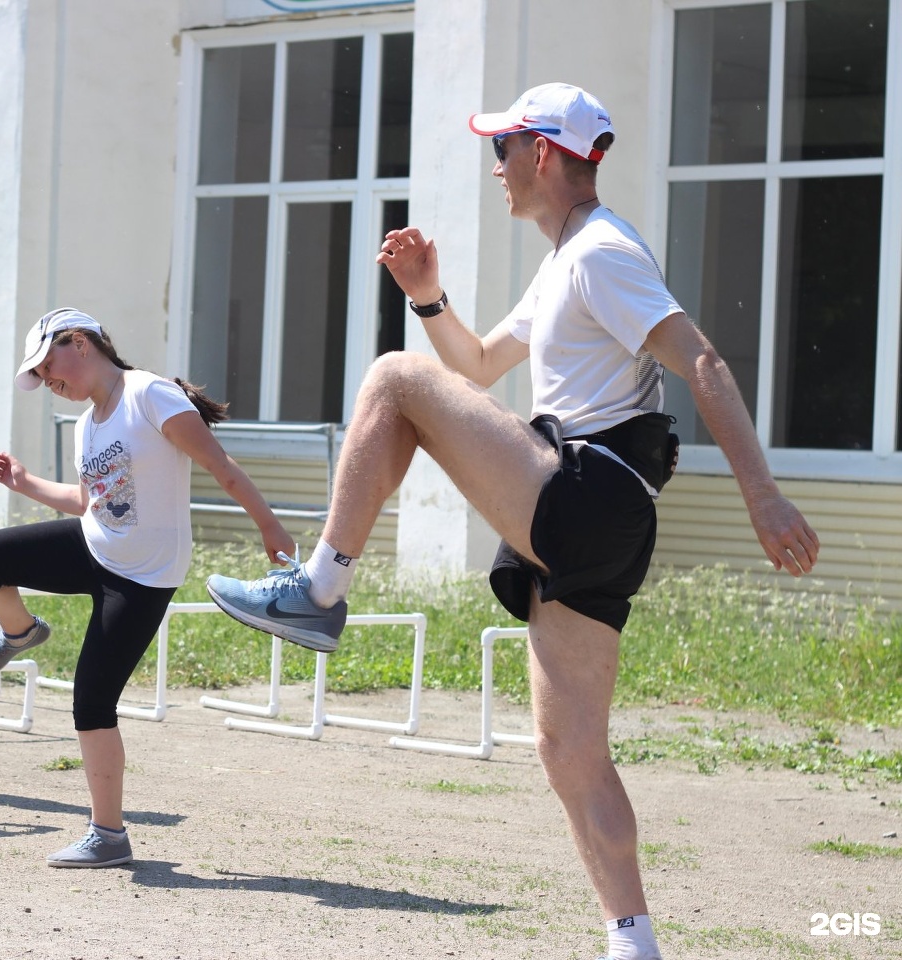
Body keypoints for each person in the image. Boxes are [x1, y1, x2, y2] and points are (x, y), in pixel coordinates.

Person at [205, 83, 820, 960]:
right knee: (568, 748)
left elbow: (702, 359)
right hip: (601, 519)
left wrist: (762, 493)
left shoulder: (603, 252)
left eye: (504, 149)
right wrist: (427, 296)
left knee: (390, 381)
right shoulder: (565, 258)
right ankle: (632, 939)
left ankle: (318, 588)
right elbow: (481, 365)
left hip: (587, 489)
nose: (495, 166)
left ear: (542, 153)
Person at [0, 307, 294, 868]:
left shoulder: (150, 395)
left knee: (91, 700)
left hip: (142, 576)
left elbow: (220, 465)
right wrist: (24, 483)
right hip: (94, 545)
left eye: (47, 367)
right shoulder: (88, 424)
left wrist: (269, 526)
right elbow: (90, 502)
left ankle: (109, 836)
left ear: (80, 343)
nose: (48, 383)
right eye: (39, 377)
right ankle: (20, 631)